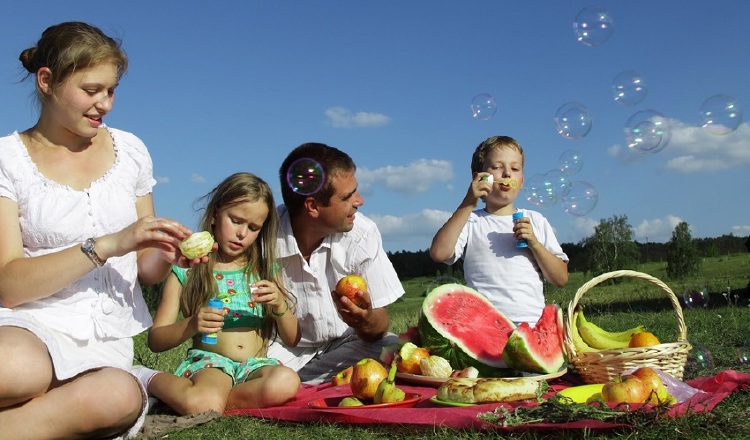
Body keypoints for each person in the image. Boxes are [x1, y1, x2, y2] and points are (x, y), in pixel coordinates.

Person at [0, 22, 209, 439]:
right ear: (47, 81)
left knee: (118, 396)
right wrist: (108, 244)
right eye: (91, 90)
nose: (105, 104)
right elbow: (9, 284)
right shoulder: (8, 159)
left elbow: (145, 270)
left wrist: (166, 254)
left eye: (111, 91)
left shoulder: (130, 151)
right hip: (28, 324)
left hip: (104, 340)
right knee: (17, 370)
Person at [142, 172, 301, 415]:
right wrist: (193, 324)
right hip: (211, 364)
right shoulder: (188, 270)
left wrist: (280, 305)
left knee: (287, 381)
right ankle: (145, 378)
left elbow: (292, 339)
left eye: (253, 227)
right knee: (205, 401)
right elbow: (156, 340)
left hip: (255, 366)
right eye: (236, 220)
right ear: (216, 213)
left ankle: (212, 402)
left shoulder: (265, 270)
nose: (242, 234)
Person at [266, 142, 405, 384]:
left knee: (394, 347)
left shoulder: (362, 234)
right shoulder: (263, 236)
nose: (359, 201)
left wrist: (364, 319)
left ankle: (298, 385)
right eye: (347, 196)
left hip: (346, 345)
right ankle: (308, 383)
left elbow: (379, 326)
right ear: (312, 206)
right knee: (248, 362)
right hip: (279, 351)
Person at [429, 135, 569, 325]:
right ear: (478, 177)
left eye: (515, 168)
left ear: (521, 179)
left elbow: (560, 278)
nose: (506, 174)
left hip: (531, 323)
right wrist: (469, 201)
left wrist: (535, 244)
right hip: (483, 325)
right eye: (497, 167)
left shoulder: (535, 220)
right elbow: (439, 253)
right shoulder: (470, 221)